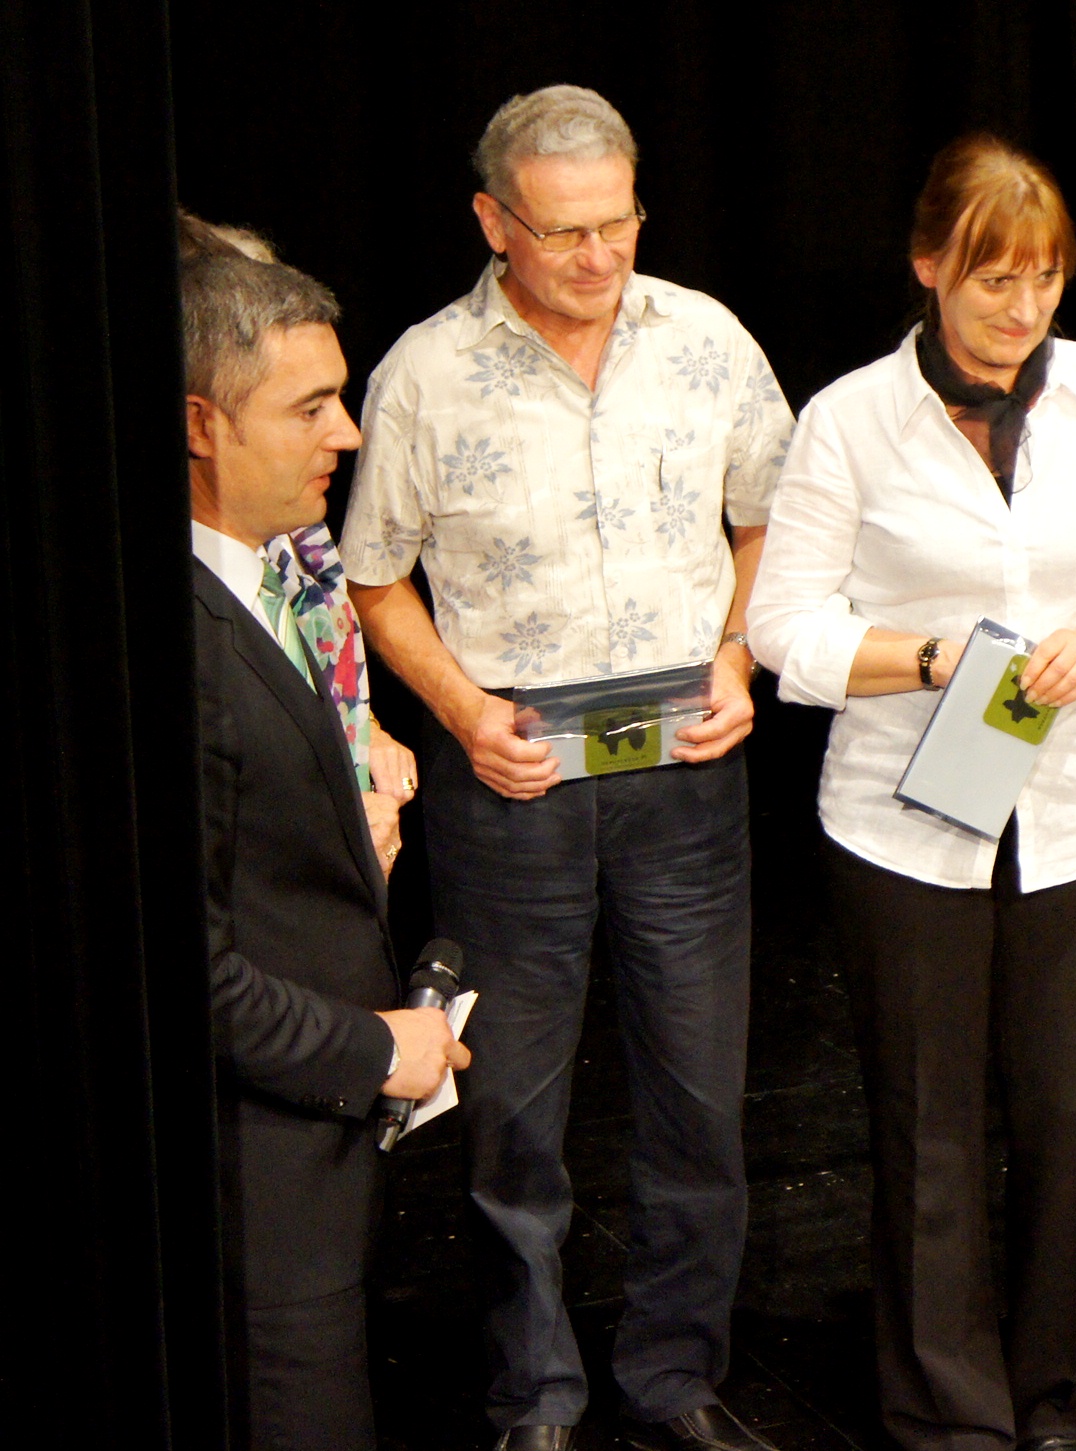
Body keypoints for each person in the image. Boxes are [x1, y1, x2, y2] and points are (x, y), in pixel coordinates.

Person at [339, 86, 794, 1451]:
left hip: (685, 769)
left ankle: (675, 1375)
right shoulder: (425, 373)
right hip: (512, 776)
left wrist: (739, 658)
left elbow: (775, 520)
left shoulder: (706, 338)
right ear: (494, 221)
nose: (598, 255)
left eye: (618, 223)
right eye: (562, 232)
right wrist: (463, 710)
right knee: (513, 1115)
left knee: (698, 1098)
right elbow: (372, 577)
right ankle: (534, 1395)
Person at [748, 133, 1076, 1451]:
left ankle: (1060, 1403)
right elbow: (781, 627)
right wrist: (932, 660)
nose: (1024, 308)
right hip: (905, 825)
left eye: (1046, 278)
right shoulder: (849, 418)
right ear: (928, 267)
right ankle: (948, 1416)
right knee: (928, 1133)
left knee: (1072, 1122)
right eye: (994, 280)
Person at [185, 246, 469, 1451]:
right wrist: (378, 1047)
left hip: (315, 1155)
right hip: (256, 1189)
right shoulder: (190, 651)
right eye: (310, 407)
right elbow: (191, 974)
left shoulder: (271, 582)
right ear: (200, 424)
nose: (347, 434)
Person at [179, 211, 423, 854]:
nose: (348, 435)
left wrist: (364, 736)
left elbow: (317, 683)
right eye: (309, 408)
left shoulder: (293, 532)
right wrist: (341, 836)